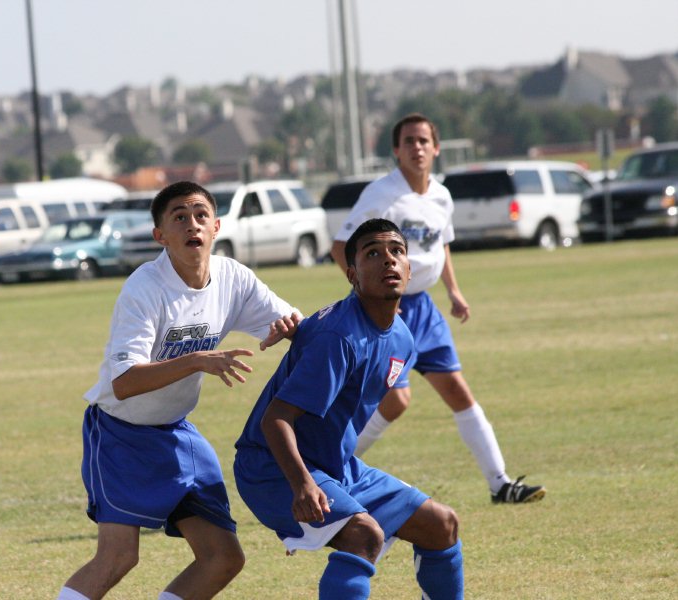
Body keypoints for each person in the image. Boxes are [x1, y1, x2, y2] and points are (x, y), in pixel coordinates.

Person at [57, 181, 302, 600]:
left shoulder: (233, 278)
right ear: (161, 235)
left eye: (201, 215)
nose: (193, 224)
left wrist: (302, 330)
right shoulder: (145, 287)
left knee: (223, 557)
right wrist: (197, 359)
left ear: (216, 226)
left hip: (175, 432)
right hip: (120, 434)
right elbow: (125, 381)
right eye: (180, 217)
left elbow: (297, 326)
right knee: (119, 557)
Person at [234, 218, 464, 599]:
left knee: (441, 524)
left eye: (396, 252)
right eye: (373, 253)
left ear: (410, 270)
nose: (388, 260)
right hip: (273, 468)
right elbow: (275, 419)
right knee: (363, 535)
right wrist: (303, 485)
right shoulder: (338, 337)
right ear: (352, 274)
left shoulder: (403, 339)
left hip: (335, 467)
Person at [329, 113, 545, 504]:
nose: (417, 148)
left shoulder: (441, 196)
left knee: (458, 391)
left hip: (425, 310)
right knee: (395, 400)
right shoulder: (382, 195)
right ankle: (329, 473)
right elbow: (341, 245)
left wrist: (454, 291)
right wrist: (368, 294)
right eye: (408, 141)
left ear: (437, 148)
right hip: (387, 310)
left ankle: (500, 484)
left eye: (423, 141)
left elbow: (439, 245)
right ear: (395, 150)